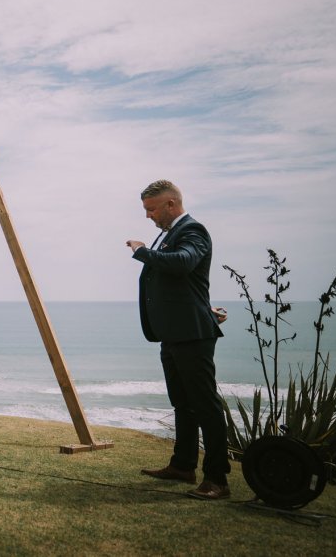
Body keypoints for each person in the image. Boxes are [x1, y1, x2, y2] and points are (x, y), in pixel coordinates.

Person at [126, 180, 231, 500]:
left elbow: (184, 264)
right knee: (182, 403)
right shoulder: (170, 233)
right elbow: (183, 284)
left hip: (192, 335)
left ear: (171, 204)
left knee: (205, 405)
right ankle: (183, 466)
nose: (148, 216)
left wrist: (142, 251)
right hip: (173, 334)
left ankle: (217, 480)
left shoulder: (193, 230)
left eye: (152, 208)